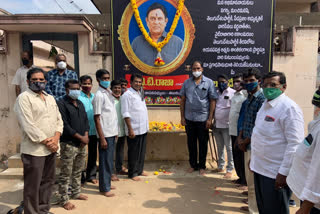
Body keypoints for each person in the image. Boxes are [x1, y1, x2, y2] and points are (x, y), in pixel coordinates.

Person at [250, 71, 304, 214]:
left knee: (276, 210)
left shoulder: (289, 109)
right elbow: (259, 134)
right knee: (264, 209)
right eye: (265, 84)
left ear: (284, 87)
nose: (268, 88)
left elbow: (295, 144)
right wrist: (253, 160)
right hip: (260, 169)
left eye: (273, 85)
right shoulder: (264, 105)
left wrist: (284, 173)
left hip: (276, 173)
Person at [14, 67, 63, 214]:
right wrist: (48, 142)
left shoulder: (50, 98)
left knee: (48, 182)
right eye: (34, 80)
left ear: (46, 81)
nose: (38, 82)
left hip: (51, 149)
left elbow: (58, 120)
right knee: (32, 185)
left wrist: (56, 138)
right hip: (34, 150)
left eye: (41, 79)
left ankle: (43, 210)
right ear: (28, 81)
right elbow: (28, 125)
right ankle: (31, 212)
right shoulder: (24, 98)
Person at [180, 61, 218, 176]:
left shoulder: (209, 82)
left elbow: (212, 101)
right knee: (191, 144)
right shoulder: (186, 83)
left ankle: (202, 166)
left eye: (198, 68)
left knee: (203, 144)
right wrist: (182, 117)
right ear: (191, 70)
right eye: (194, 69)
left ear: (202, 69)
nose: (196, 71)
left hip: (203, 119)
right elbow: (182, 100)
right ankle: (193, 165)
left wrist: (210, 119)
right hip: (189, 119)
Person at [57, 79, 90, 210]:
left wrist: (86, 136)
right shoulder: (61, 104)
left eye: (78, 88)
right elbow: (65, 126)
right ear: (67, 90)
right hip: (69, 144)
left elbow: (86, 121)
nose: (76, 91)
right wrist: (81, 137)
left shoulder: (80, 103)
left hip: (82, 144)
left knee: (78, 171)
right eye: (73, 89)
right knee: (66, 173)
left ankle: (76, 192)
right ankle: (63, 199)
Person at [237, 68, 265, 213]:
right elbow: (246, 120)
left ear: (259, 81)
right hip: (247, 144)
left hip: (256, 147)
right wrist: (240, 138)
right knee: (250, 181)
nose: (248, 83)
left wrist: (245, 141)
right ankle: (252, 207)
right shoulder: (248, 98)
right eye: (246, 81)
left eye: (252, 81)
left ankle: (254, 210)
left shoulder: (262, 100)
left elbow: (258, 126)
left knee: (254, 183)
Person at [287, 90, 320, 214]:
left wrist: (306, 207)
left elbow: (318, 173)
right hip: (308, 197)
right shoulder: (317, 123)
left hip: (313, 203)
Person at [93, 69, 118, 196]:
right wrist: (102, 138)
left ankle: (107, 183)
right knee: (104, 161)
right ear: (98, 80)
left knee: (109, 160)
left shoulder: (107, 92)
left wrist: (116, 131)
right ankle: (104, 188)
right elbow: (97, 118)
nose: (107, 80)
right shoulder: (99, 96)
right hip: (105, 134)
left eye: (108, 78)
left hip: (112, 132)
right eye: (104, 78)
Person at [121, 74, 149, 181]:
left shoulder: (140, 93)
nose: (138, 84)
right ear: (131, 82)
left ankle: (140, 170)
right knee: (133, 152)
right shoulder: (127, 95)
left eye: (140, 82)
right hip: (134, 129)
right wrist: (130, 129)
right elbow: (125, 113)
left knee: (141, 151)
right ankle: (132, 173)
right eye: (136, 82)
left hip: (142, 128)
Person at [214, 74, 235, 178]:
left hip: (227, 126)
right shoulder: (216, 93)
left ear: (228, 82)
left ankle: (230, 168)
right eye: (219, 82)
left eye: (223, 82)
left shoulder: (233, 93)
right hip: (216, 125)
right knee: (219, 147)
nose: (221, 84)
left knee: (229, 148)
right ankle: (221, 165)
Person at [78, 75, 98, 184]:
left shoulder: (95, 97)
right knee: (80, 154)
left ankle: (91, 175)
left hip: (94, 129)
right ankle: (80, 177)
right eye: (84, 84)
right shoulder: (78, 97)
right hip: (81, 131)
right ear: (80, 85)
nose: (87, 86)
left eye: (89, 84)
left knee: (93, 154)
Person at [229, 73, 247, 187]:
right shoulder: (234, 95)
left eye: (239, 81)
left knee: (242, 156)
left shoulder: (245, 95)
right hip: (232, 129)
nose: (236, 83)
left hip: (241, 132)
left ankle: (245, 180)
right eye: (235, 81)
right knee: (235, 155)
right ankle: (240, 177)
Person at [111, 80, 127, 181]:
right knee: (111, 152)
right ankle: (112, 172)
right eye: (115, 88)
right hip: (113, 130)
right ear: (111, 89)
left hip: (122, 129)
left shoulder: (123, 99)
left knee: (120, 150)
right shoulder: (109, 99)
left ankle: (119, 168)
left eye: (119, 88)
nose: (117, 90)